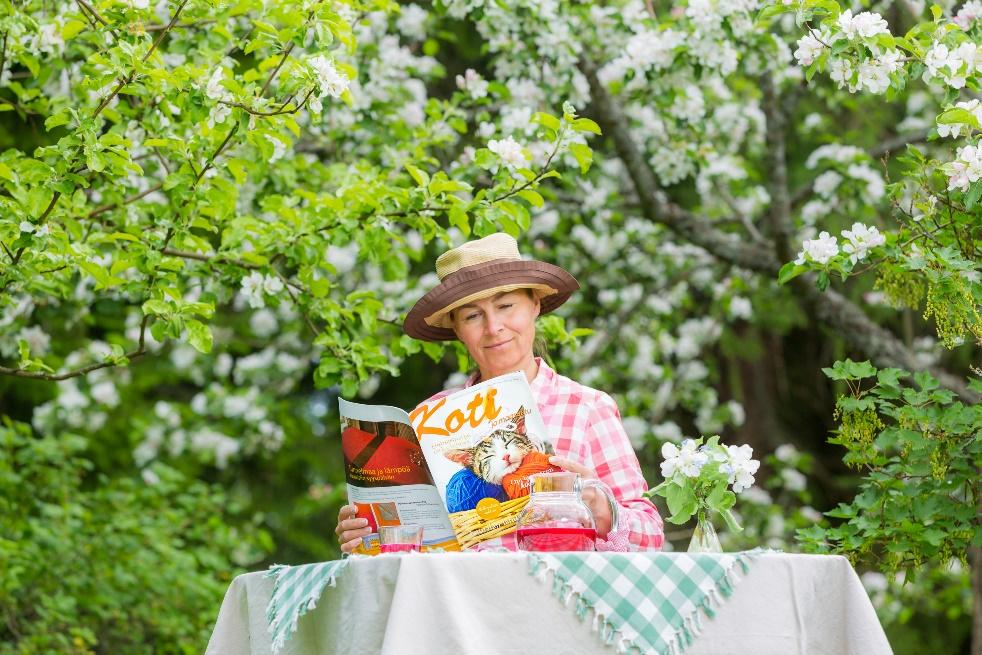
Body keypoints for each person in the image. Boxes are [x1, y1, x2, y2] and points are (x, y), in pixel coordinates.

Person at [336, 233, 664, 553]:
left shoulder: (587, 408)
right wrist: (367, 536)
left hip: (552, 601)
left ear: (535, 304)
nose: (494, 327)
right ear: (456, 328)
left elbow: (651, 536)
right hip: (457, 604)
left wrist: (603, 508)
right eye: (473, 316)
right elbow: (406, 547)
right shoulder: (426, 422)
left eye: (506, 305)